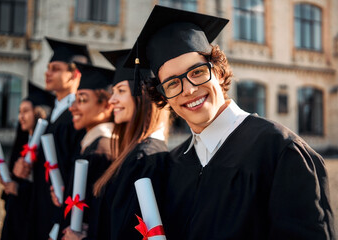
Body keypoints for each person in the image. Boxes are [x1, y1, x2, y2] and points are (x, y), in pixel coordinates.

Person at [124, 5, 336, 240]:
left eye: (197, 72)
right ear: (164, 97)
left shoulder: (279, 151)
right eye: (173, 83)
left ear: (220, 72)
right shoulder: (174, 162)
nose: (190, 89)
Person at [62, 49, 170, 240]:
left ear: (142, 95)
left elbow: (127, 234)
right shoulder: (137, 152)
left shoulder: (142, 159)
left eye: (120, 91)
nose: (112, 100)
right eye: (113, 92)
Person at [29, 37, 90, 240]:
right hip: (41, 202)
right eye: (48, 67)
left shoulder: (76, 119)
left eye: (55, 68)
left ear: (75, 74)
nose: (48, 72)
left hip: (61, 209)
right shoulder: (54, 112)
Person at [51, 62, 115, 238]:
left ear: (107, 105)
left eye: (83, 100)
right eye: (75, 100)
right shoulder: (91, 145)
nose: (72, 108)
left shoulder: (101, 152)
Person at [0, 82, 54, 240]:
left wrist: (19, 188)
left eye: (25, 111)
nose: (20, 117)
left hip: (33, 218)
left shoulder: (46, 145)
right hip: (16, 213)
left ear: (38, 113)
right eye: (19, 112)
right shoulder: (23, 142)